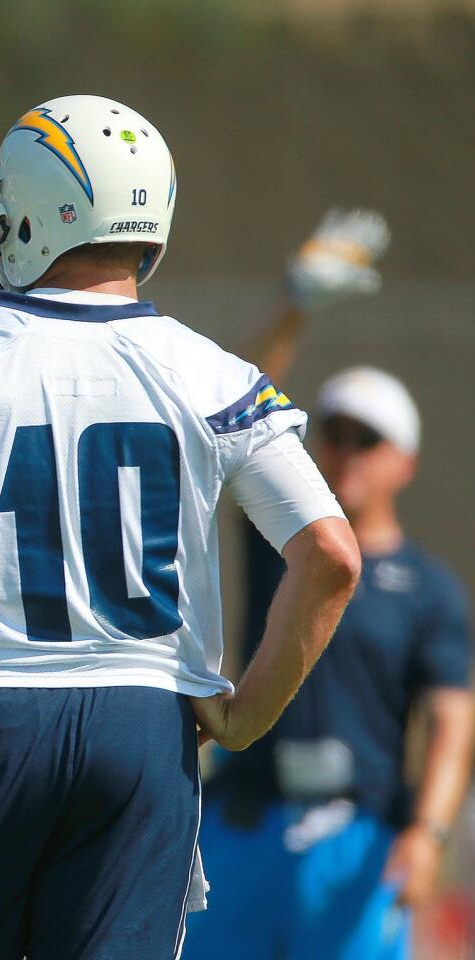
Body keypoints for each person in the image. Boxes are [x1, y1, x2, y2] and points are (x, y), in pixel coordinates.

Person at [0, 95, 362, 959]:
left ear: (32, 208)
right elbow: (329, 554)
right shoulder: (209, 371)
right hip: (144, 730)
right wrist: (243, 716)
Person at [185, 211, 473, 960]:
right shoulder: (284, 536)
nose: (344, 450)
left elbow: (450, 722)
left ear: (403, 462)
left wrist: (429, 831)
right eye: (333, 432)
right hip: (242, 823)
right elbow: (237, 409)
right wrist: (294, 302)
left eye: (365, 438)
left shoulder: (430, 592)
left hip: (358, 840)